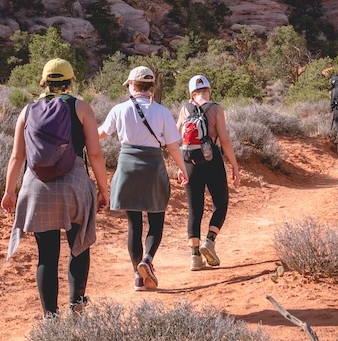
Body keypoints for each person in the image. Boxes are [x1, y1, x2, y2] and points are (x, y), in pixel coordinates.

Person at [2, 58, 110, 317]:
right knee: (79, 245)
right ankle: (77, 306)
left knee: (47, 256)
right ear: (70, 81)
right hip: (74, 185)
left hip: (36, 187)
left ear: (44, 81)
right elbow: (95, 153)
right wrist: (104, 189)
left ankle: (50, 317)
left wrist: (9, 191)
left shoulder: (27, 110)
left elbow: (17, 156)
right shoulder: (80, 107)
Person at [98, 66, 189, 291]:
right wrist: (182, 169)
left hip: (127, 165)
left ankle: (137, 277)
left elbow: (100, 134)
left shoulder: (119, 109)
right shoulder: (162, 111)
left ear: (131, 85)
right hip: (153, 165)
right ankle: (147, 259)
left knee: (134, 224)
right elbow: (173, 147)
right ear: (152, 86)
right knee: (156, 219)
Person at [176, 75, 240, 271]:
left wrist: (181, 165)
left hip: (190, 163)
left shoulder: (185, 109)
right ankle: (209, 241)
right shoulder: (215, 109)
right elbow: (225, 140)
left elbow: (179, 137)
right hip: (212, 161)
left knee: (195, 210)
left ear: (191, 93)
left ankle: (195, 257)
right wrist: (235, 166)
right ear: (209, 90)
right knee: (220, 203)